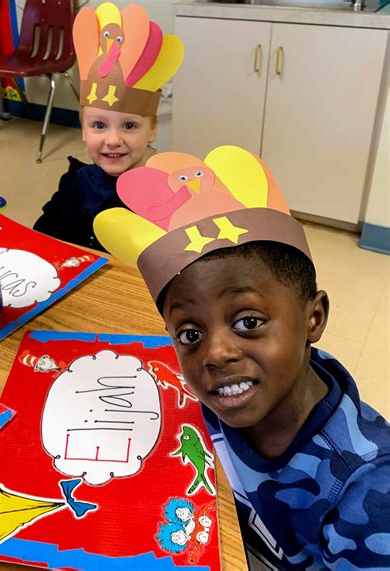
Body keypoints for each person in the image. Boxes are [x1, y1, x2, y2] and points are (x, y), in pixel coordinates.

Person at [93, 145, 390, 569]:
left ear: (314, 318)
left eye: (248, 322)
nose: (215, 354)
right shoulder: (221, 390)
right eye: (191, 333)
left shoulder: (366, 494)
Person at [33, 1, 184, 250]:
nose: (113, 140)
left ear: (152, 131)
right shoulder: (76, 184)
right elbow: (43, 239)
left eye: (129, 126)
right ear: (83, 130)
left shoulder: (167, 193)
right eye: (99, 125)